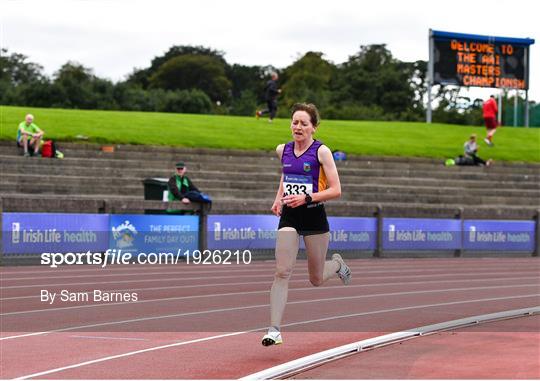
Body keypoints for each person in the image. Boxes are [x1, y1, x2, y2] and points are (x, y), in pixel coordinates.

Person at [261, 103, 351, 347]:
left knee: (316, 278)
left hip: (314, 215)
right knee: (282, 271)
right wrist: (278, 197)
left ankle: (337, 265)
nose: (297, 127)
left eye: (303, 123)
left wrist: (308, 197)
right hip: (290, 215)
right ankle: (274, 330)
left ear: (314, 127)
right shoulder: (283, 150)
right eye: (294, 122)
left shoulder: (322, 152)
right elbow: (286, 174)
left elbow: (336, 190)